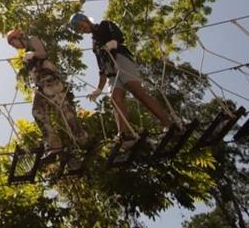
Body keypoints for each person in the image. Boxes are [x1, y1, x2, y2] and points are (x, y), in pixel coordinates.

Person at [69, 13, 181, 146]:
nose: (82, 30)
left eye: (81, 26)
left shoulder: (105, 24)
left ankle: (169, 124)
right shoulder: (94, 45)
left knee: (138, 93)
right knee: (115, 100)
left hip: (121, 59)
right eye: (79, 30)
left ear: (85, 19)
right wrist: (98, 89)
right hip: (111, 70)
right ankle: (125, 136)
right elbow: (101, 68)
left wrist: (113, 43)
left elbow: (118, 35)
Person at [5, 28, 88, 156]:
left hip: (50, 81)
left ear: (19, 36)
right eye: (11, 44)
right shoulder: (26, 53)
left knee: (64, 111)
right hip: (40, 86)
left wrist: (33, 54)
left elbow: (42, 53)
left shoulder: (32, 39)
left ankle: (82, 139)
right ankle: (54, 146)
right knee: (38, 112)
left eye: (12, 42)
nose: (13, 46)